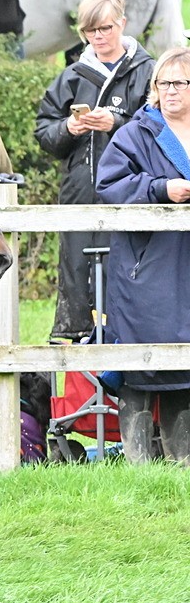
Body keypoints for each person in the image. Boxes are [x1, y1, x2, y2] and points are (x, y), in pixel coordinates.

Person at [35, 0, 154, 341]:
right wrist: (69, 128)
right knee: (77, 277)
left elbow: (159, 130)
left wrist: (116, 125)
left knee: (127, 276)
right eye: (91, 31)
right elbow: (44, 133)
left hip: (130, 194)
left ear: (123, 24)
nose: (99, 37)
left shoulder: (147, 72)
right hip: (79, 194)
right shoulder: (73, 75)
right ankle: (79, 367)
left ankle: (131, 356)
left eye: (106, 28)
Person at [96, 47, 190, 464]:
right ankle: (137, 465)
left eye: (180, 83)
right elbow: (109, 185)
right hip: (146, 265)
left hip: (186, 265)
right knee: (139, 356)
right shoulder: (135, 133)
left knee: (184, 362)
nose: (170, 91)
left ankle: (180, 463)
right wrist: (160, 189)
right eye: (164, 83)